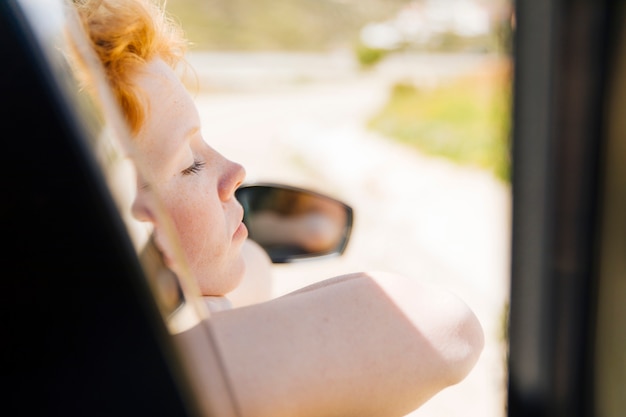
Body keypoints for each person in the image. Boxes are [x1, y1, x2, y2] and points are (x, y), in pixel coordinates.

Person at [72, 1, 485, 416]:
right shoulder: (126, 381)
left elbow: (250, 268)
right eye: (189, 164)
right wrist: (216, 313)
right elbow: (448, 327)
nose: (235, 172)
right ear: (117, 223)